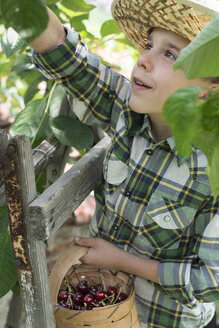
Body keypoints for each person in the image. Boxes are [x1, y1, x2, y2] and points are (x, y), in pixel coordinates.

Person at [30, 0, 219, 327]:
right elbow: (67, 58)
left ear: (206, 93)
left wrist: (121, 261)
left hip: (163, 320)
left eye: (169, 54)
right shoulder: (126, 111)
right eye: (148, 45)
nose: (143, 60)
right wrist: (20, 8)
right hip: (98, 311)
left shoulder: (210, 168)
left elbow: (211, 280)